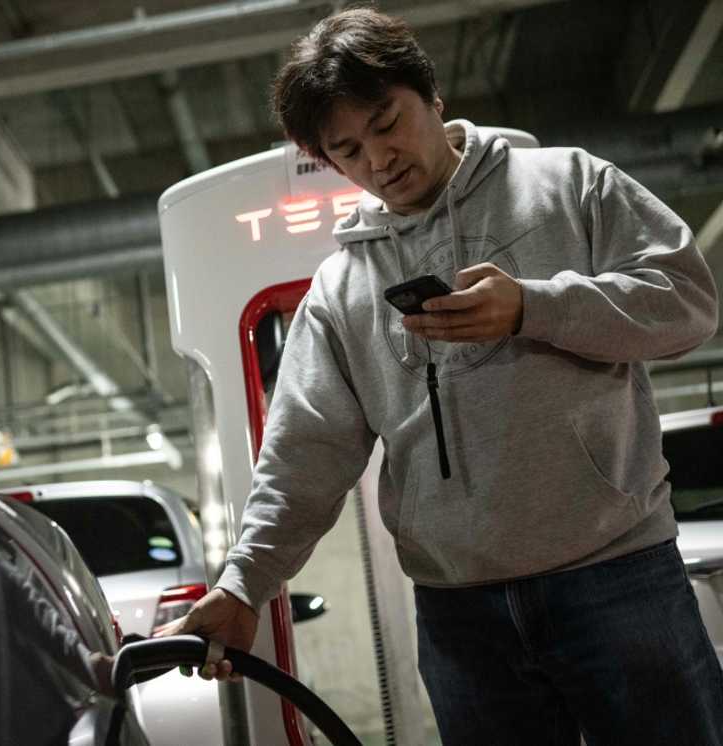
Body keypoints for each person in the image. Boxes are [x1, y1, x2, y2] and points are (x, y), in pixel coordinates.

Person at [155, 7, 723, 745]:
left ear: (432, 96)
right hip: (462, 619)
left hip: (617, 576)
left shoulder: (570, 185)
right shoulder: (342, 289)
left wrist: (533, 307)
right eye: (348, 150)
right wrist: (243, 585)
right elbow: (304, 457)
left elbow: (689, 302)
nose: (378, 159)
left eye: (388, 122)